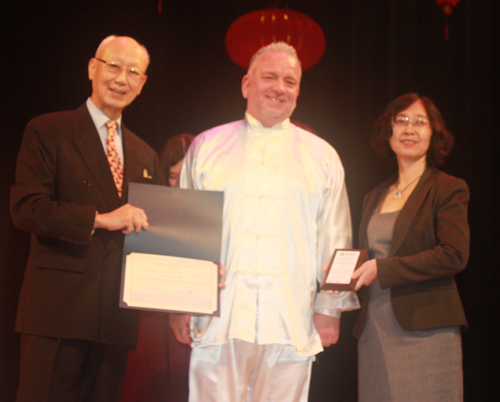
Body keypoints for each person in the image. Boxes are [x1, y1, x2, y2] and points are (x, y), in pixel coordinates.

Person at [172, 41, 359, 402]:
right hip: (219, 316)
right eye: (270, 77)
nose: (279, 87)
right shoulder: (206, 146)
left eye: (290, 81)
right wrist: (181, 303)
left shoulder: (322, 155)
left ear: (299, 91)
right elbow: (184, 232)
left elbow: (338, 240)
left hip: (291, 317)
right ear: (246, 85)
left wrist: (330, 309)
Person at [10, 35, 159, 402]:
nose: (121, 78)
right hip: (58, 311)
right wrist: (99, 219)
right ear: (93, 68)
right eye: (113, 66)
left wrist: (198, 271)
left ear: (142, 85)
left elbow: (153, 235)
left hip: (115, 318)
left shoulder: (145, 154)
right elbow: (27, 208)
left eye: (133, 72)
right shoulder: (47, 130)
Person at [352, 93, 470, 401]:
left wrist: (383, 269)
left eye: (420, 122)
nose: (409, 129)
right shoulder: (373, 196)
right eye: (401, 121)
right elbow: (370, 257)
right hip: (374, 328)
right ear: (388, 132)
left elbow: (454, 255)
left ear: (434, 135)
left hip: (425, 328)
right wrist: (341, 273)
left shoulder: (447, 188)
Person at [120, 133, 195, 402]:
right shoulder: (147, 210)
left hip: (198, 320)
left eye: (187, 175)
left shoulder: (212, 215)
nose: (181, 185)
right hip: (152, 321)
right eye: (174, 177)